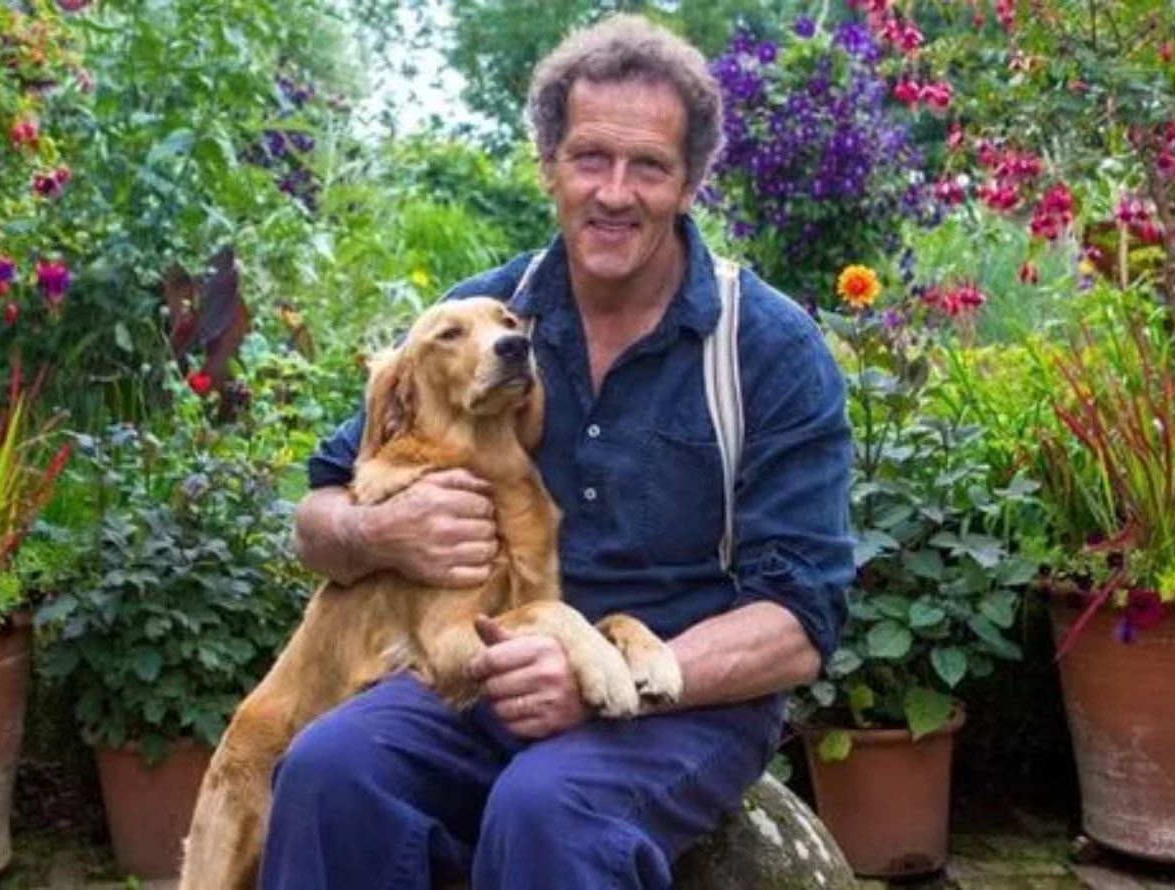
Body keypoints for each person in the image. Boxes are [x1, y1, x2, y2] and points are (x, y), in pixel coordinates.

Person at [258, 13, 852, 889]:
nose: (615, 192)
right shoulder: (476, 321)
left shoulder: (765, 348)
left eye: (648, 165)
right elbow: (315, 515)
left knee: (547, 808)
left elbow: (799, 622)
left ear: (688, 183)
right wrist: (376, 534)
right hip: (481, 670)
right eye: (589, 159)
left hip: (682, 691)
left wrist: (614, 674)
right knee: (328, 767)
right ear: (549, 168)